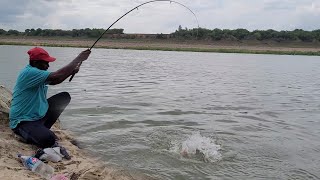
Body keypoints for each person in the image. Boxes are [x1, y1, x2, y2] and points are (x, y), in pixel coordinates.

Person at [9, 47, 91, 149]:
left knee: (64, 97)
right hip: (23, 121)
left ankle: (42, 129)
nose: (48, 65)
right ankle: (32, 133)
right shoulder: (29, 73)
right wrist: (79, 58)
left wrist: (71, 71)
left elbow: (56, 80)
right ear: (35, 62)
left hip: (38, 116)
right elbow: (57, 76)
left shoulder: (38, 73)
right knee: (48, 139)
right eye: (45, 63)